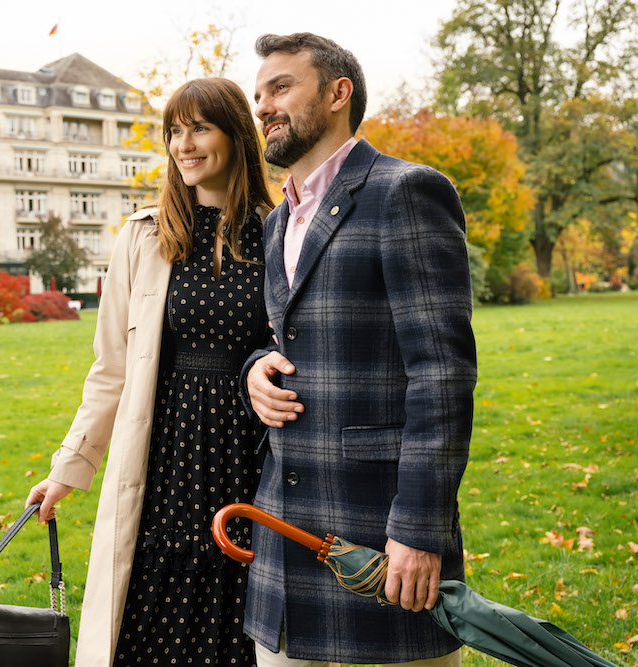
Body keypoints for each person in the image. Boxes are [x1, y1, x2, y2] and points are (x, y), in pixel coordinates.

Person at [242, 33, 478, 667]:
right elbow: (285, 337)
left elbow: (443, 375)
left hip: (382, 543)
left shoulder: (405, 192)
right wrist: (255, 370)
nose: (262, 104)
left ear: (338, 93)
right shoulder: (275, 222)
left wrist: (419, 532)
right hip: (286, 545)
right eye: (259, 91)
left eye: (281, 87)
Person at [26, 77, 276, 666]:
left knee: (246, 627)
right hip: (167, 458)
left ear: (237, 135)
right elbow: (110, 367)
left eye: (199, 128)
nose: (183, 145)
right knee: (155, 623)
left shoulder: (282, 231)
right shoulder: (144, 236)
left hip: (254, 457)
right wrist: (68, 468)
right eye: (174, 132)